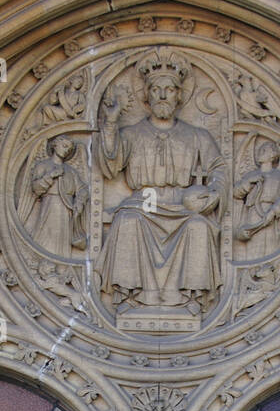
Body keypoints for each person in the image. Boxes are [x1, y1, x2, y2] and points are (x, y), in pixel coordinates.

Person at [94, 49, 225, 311]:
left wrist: (212, 193)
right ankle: (128, 296)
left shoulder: (197, 135)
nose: (163, 95)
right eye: (156, 89)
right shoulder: (131, 134)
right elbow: (110, 166)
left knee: (198, 227)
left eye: (170, 89)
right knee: (127, 221)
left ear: (179, 95)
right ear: (147, 95)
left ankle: (192, 298)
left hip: (183, 205)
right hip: (143, 202)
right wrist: (109, 125)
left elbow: (218, 168)